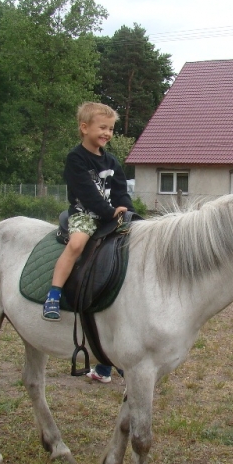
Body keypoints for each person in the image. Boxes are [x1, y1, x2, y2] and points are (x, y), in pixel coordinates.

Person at [42, 102, 134, 322]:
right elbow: (87, 194)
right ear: (84, 128)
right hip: (85, 214)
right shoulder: (76, 159)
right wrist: (110, 211)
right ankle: (54, 294)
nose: (107, 133)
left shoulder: (111, 160)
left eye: (111, 129)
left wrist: (129, 212)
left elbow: (121, 190)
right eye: (102, 128)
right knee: (76, 245)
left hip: (110, 214)